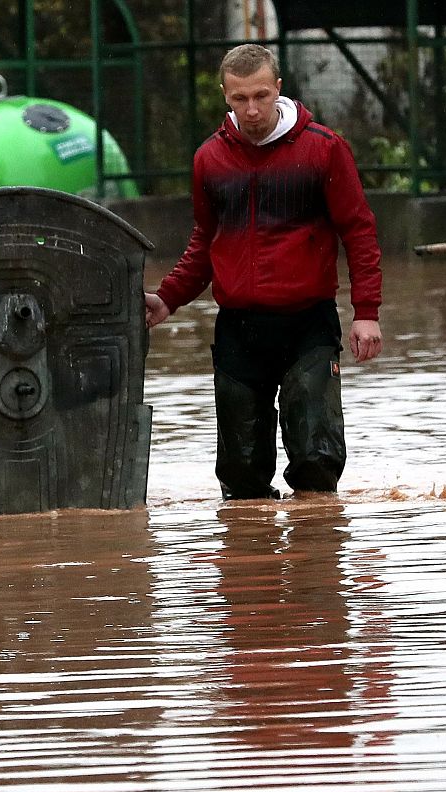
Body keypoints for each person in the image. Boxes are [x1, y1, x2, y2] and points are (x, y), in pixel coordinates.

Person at [144, 44, 382, 500]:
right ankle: (251, 565)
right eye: (239, 99)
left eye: (260, 96)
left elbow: (360, 233)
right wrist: (168, 298)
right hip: (239, 329)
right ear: (225, 96)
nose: (251, 110)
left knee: (317, 462)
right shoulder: (209, 160)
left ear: (278, 89)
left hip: (308, 323)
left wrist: (366, 311)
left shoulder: (325, 150)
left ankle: (316, 564)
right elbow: (206, 243)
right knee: (241, 478)